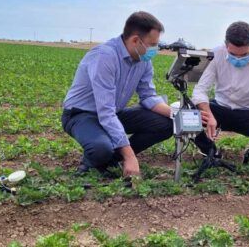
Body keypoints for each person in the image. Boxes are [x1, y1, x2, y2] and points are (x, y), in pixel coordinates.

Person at [61, 11, 173, 177]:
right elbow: (105, 111)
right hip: (82, 115)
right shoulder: (105, 56)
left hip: (114, 113)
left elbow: (148, 96)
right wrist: (130, 155)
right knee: (101, 149)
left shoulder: (144, 61)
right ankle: (99, 158)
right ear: (135, 40)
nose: (155, 49)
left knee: (166, 124)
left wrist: (176, 114)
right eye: (152, 44)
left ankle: (113, 158)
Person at [192, 21, 249, 165]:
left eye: (245, 55)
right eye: (232, 54)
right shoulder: (215, 55)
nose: (238, 59)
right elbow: (200, 90)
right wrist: (208, 115)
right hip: (220, 109)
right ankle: (210, 151)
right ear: (225, 44)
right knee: (187, 114)